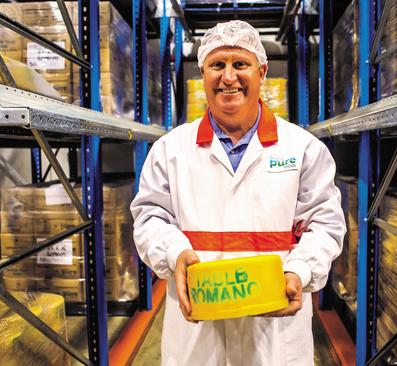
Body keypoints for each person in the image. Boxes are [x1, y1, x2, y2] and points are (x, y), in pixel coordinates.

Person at [131, 20, 346, 366]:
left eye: (240, 64)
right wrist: (174, 253)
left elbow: (325, 224)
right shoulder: (170, 150)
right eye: (217, 65)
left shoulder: (302, 148)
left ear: (261, 72)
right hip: (197, 335)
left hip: (275, 337)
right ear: (203, 74)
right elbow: (149, 218)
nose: (228, 77)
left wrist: (301, 270)